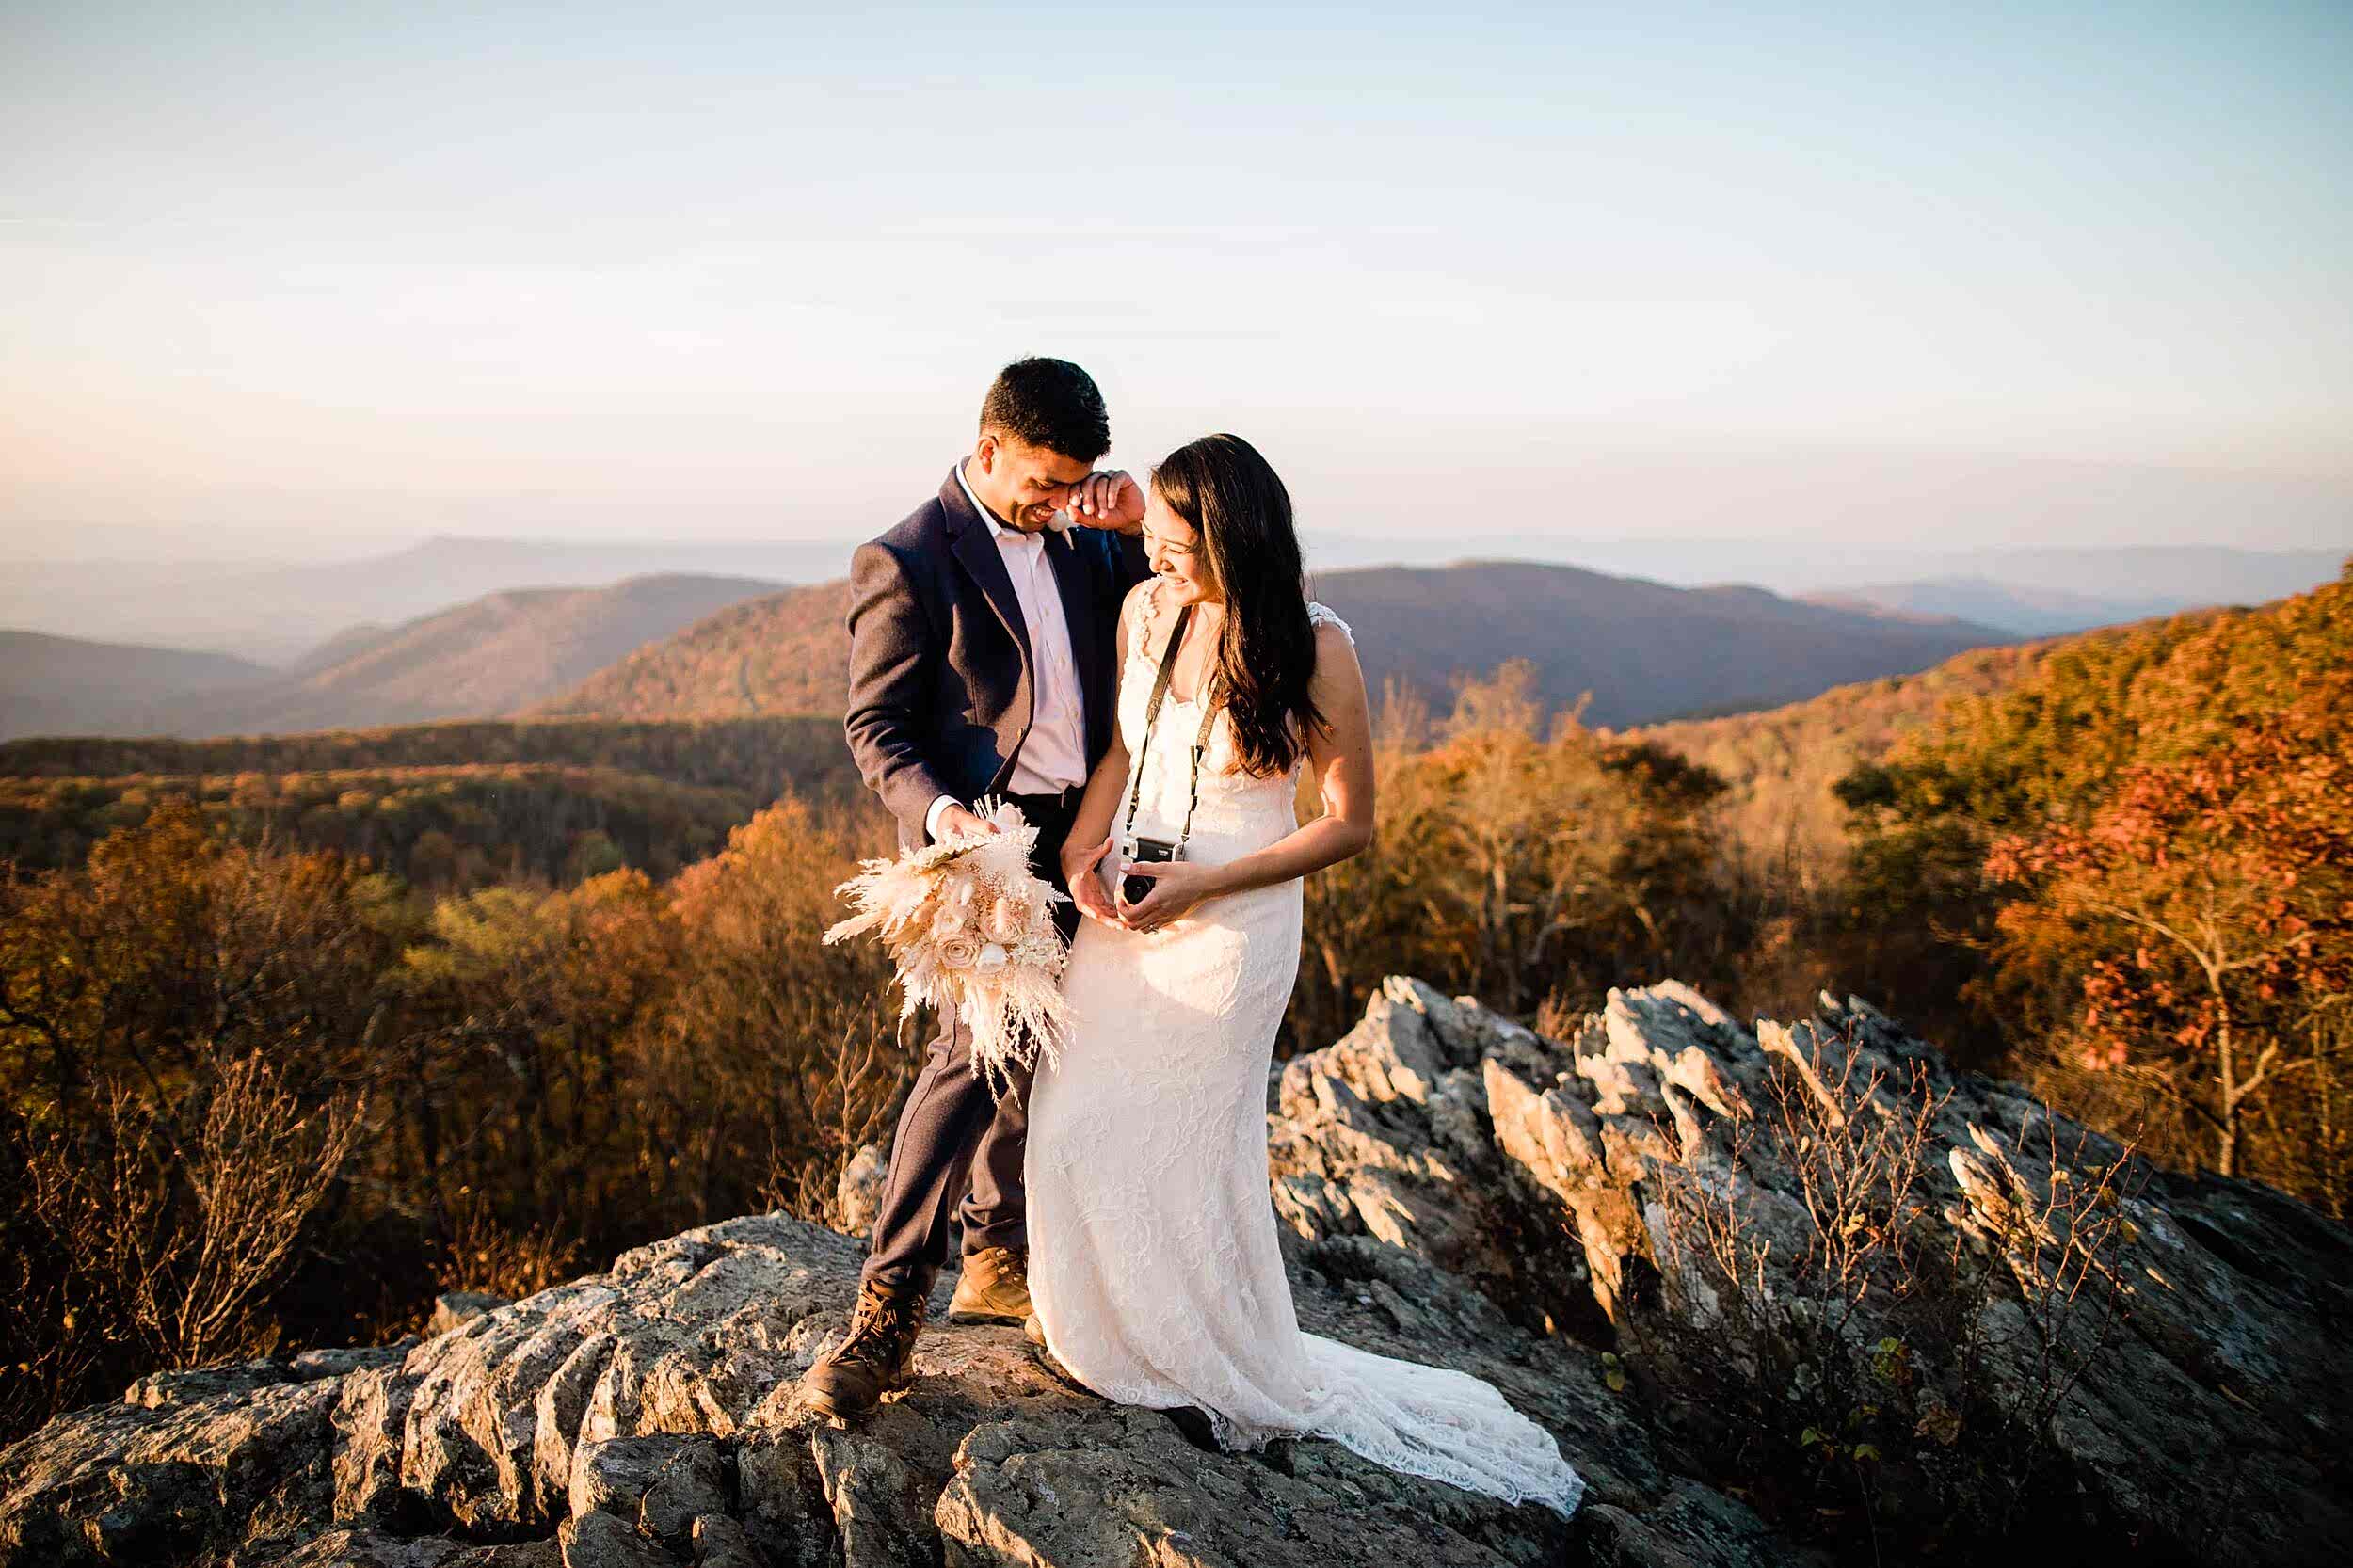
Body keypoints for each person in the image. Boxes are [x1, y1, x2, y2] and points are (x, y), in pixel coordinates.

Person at [1023, 432, 1587, 1519]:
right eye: (1152, 540)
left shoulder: (1317, 646)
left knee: (1190, 1145)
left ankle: (1208, 1349)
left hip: (1233, 927)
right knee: (1071, 1120)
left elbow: (1350, 823)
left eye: (1179, 545)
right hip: (1126, 901)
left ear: (1237, 541)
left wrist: (1206, 883)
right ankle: (1104, 1327)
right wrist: (1085, 854)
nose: (1160, 559)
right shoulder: (1145, 612)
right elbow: (1118, 758)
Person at [801, 358, 1153, 1419]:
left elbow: (1152, 631)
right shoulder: (907, 556)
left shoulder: (1088, 532)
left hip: (1090, 822)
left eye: (1073, 484)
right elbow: (876, 728)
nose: (1058, 505)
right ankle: (885, 1315)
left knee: (1057, 1039)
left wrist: (1129, 526)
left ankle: (999, 1259)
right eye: (1043, 484)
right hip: (980, 837)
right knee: (973, 1051)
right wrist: (940, 816)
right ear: (989, 445)